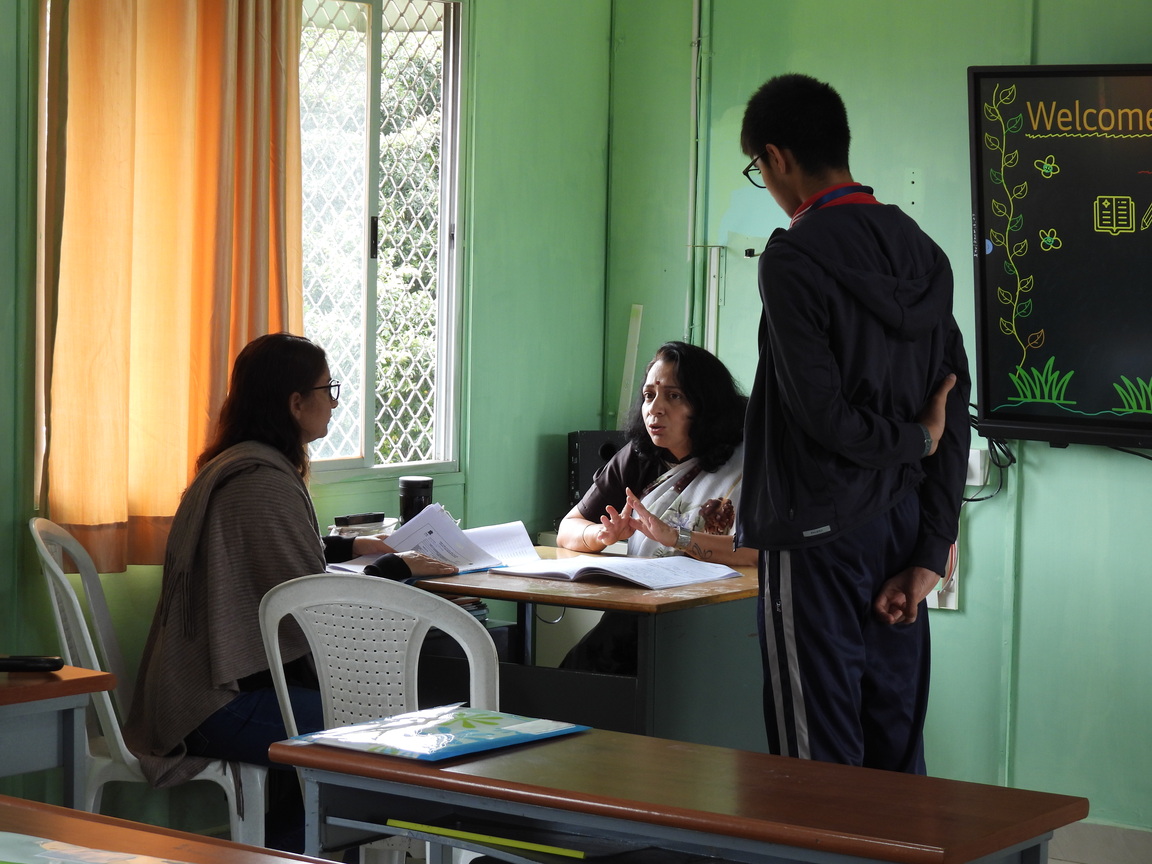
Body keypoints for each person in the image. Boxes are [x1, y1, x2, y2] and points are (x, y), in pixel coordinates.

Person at [124, 332, 455, 849]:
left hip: (209, 692)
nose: (334, 402)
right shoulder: (262, 482)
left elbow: (271, 560)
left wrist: (348, 549)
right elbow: (312, 612)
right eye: (329, 389)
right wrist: (396, 566)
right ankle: (290, 852)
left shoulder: (239, 463)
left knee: (367, 722)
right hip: (213, 705)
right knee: (384, 732)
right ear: (295, 403)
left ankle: (285, 848)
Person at [735, 74, 970, 774]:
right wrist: (932, 549)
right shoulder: (924, 253)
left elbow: (822, 415)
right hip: (900, 526)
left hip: (814, 533)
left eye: (757, 170)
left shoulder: (794, 256)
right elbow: (954, 403)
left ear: (776, 158)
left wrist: (913, 439)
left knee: (815, 763)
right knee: (894, 746)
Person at [556, 341, 756, 672]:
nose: (655, 409)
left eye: (674, 396)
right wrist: (601, 535)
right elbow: (569, 528)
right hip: (646, 607)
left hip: (723, 614)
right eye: (649, 395)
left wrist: (676, 537)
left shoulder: (750, 458)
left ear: (705, 404)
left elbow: (757, 552)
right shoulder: (639, 456)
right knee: (580, 670)